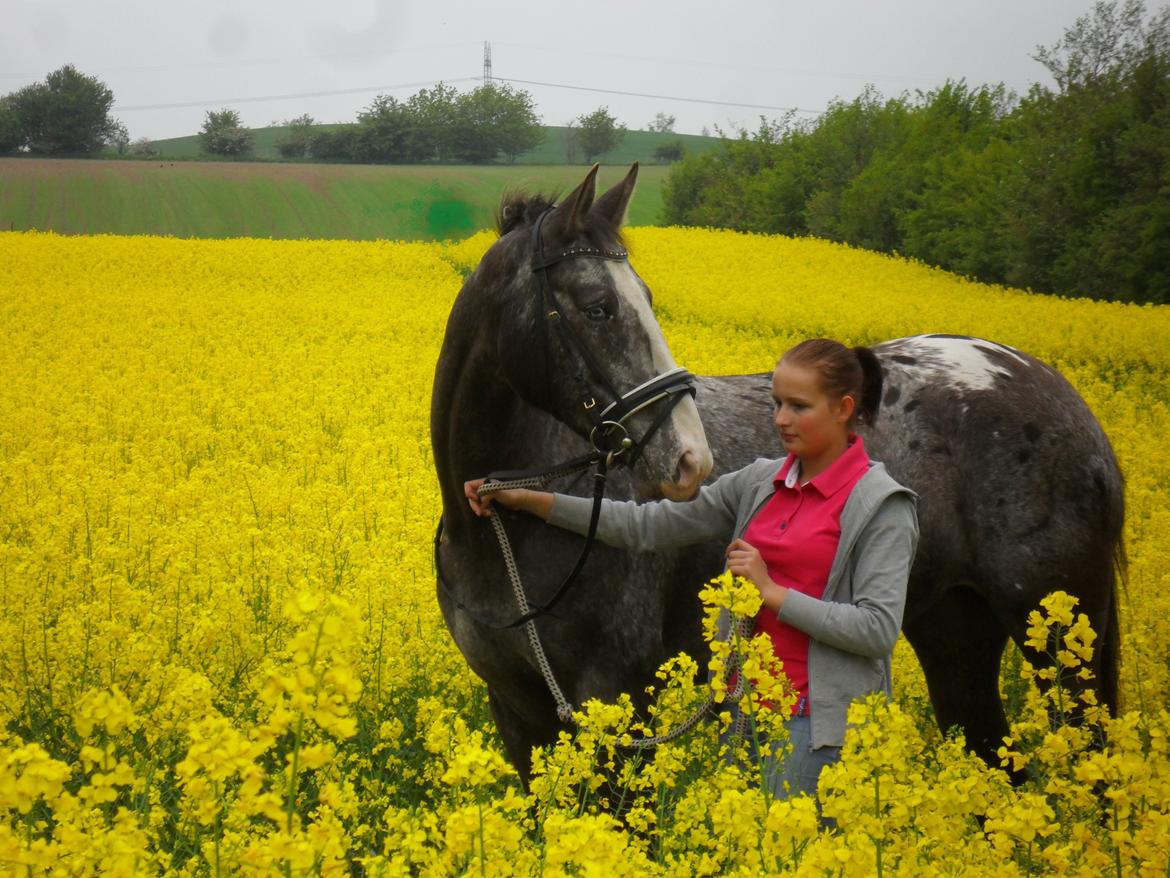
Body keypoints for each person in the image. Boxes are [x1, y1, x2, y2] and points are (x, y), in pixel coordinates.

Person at [464, 338, 919, 801]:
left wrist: (770, 591)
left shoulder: (881, 506)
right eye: (777, 403)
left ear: (843, 408)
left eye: (799, 407)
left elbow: (877, 629)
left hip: (818, 725)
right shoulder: (762, 481)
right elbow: (648, 525)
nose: (780, 420)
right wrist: (530, 500)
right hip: (742, 715)